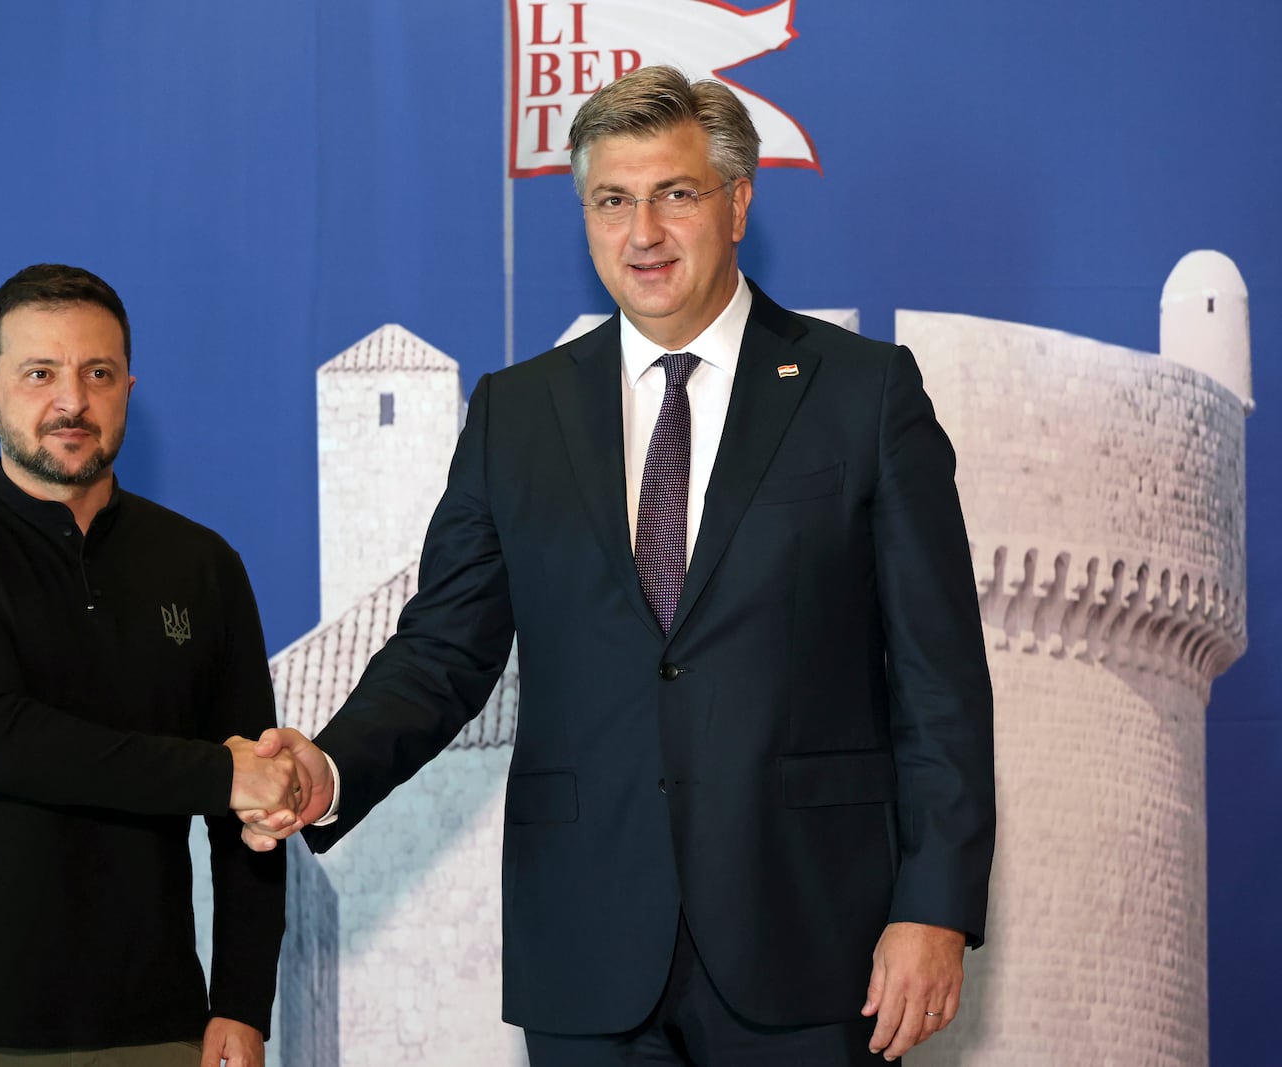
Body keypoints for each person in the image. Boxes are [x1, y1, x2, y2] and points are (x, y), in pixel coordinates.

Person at [242, 66, 995, 1065]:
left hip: (813, 941)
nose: (642, 231)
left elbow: (939, 681)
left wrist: (934, 904)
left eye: (674, 194)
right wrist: (328, 765)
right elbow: (443, 649)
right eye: (611, 200)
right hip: (587, 946)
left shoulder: (862, 394)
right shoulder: (516, 414)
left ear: (735, 201)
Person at [0, 264, 315, 1067]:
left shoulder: (202, 564)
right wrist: (220, 774)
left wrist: (244, 1005)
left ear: (127, 390)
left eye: (97, 373)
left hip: (159, 1027)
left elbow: (253, 814)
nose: (71, 401)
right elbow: (0, 743)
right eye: (39, 373)